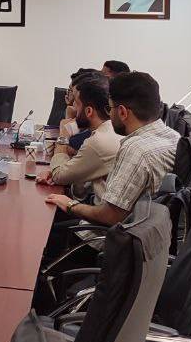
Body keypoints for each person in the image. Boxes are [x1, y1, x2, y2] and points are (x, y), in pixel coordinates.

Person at [44, 71, 179, 227]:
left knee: (44, 223)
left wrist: (70, 205)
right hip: (152, 233)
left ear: (122, 112)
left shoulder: (135, 149)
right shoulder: (174, 137)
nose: (109, 114)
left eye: (111, 108)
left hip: (107, 235)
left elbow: (110, 217)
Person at [38, 77, 119, 200]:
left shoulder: (98, 141)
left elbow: (59, 176)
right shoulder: (110, 130)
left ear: (89, 111)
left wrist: (63, 135)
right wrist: (58, 171)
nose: (72, 107)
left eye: (76, 103)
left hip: (92, 208)